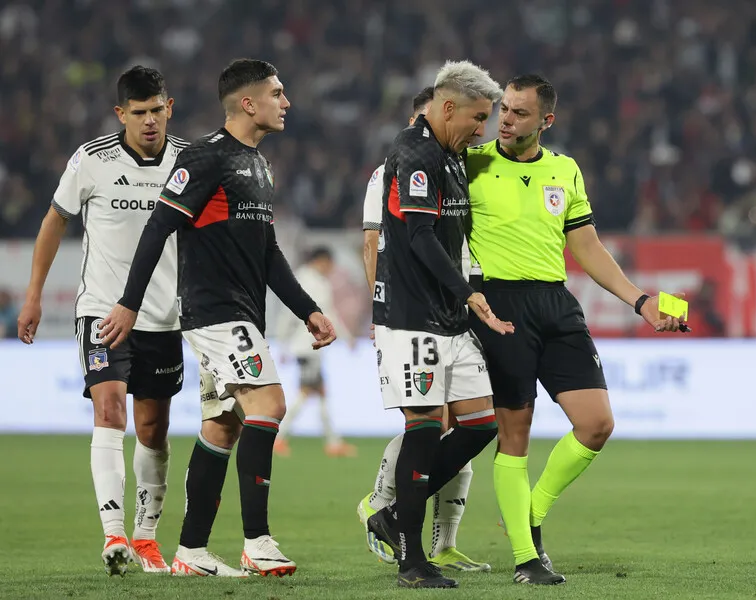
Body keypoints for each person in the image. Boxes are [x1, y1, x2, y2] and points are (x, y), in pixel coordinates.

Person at [98, 58, 337, 578]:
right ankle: (257, 541)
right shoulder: (205, 157)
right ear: (248, 102)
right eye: (278, 92)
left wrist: (309, 311)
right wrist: (129, 302)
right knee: (269, 405)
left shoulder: (259, 164)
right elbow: (157, 227)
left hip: (244, 313)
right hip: (214, 314)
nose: (286, 101)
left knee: (224, 426)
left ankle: (191, 551)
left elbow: (269, 253)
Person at [465, 74, 688, 585]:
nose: (506, 119)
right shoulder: (472, 164)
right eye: (504, 108)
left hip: (555, 302)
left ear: (546, 120)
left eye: (519, 113)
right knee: (514, 433)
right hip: (500, 303)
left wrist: (641, 301)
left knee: (596, 424)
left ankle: (532, 513)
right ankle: (525, 558)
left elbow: (586, 246)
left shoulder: (564, 170)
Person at [16, 66, 187, 576]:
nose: (150, 121)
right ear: (121, 114)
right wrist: (33, 295)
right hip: (101, 310)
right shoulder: (91, 160)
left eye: (157, 110)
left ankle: (146, 536)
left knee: (152, 429)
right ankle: (114, 535)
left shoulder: (187, 161)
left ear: (169, 107)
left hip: (163, 315)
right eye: (139, 113)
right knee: (108, 409)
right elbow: (54, 220)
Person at [364, 60, 513, 589]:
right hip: (411, 319)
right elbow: (422, 238)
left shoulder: (450, 156)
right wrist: (469, 293)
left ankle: (392, 515)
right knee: (424, 430)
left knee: (479, 424)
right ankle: (412, 561)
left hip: (447, 318)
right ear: (447, 108)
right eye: (478, 117)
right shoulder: (414, 154)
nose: (483, 129)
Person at [273, 246, 357, 458]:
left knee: (320, 393)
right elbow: (295, 313)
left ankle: (333, 442)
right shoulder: (309, 280)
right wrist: (283, 343)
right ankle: (278, 438)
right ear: (322, 261)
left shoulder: (310, 279)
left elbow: (325, 315)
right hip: (307, 346)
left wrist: (346, 336)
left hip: (310, 347)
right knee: (306, 392)